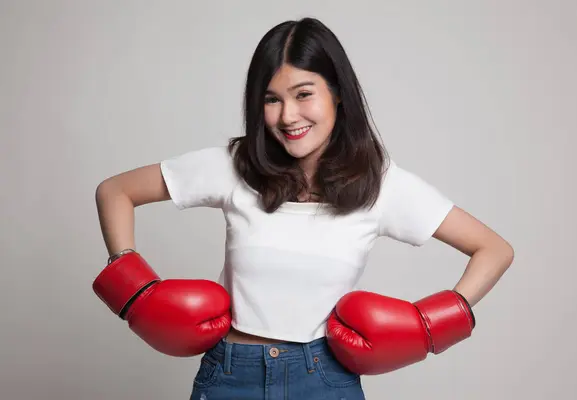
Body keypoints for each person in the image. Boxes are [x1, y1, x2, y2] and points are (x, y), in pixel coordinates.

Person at [92, 17, 514, 400]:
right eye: (272, 99)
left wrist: (429, 327)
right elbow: (115, 191)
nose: (288, 115)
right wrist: (135, 291)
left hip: (325, 380)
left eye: (304, 94)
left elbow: (494, 249)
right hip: (230, 377)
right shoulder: (234, 166)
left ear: (338, 95)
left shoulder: (381, 184)